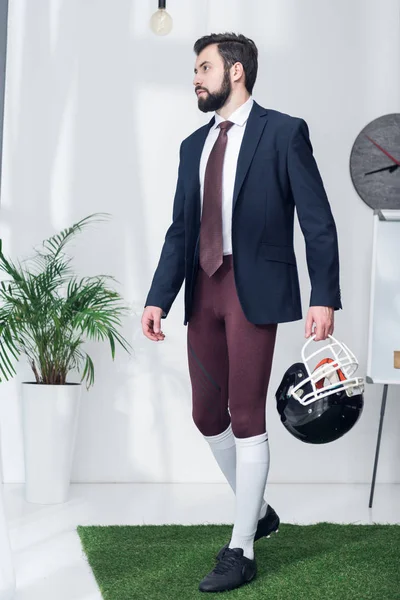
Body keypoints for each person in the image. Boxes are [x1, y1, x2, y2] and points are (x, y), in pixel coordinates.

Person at [142, 32, 341, 593]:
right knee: (208, 415)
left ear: (235, 72)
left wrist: (323, 295)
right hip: (202, 289)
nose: (195, 78)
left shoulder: (284, 132)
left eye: (204, 68)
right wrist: (159, 297)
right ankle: (259, 511)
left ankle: (242, 548)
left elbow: (317, 220)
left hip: (255, 288)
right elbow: (180, 229)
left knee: (246, 413)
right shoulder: (191, 146)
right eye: (195, 69)